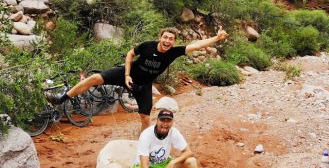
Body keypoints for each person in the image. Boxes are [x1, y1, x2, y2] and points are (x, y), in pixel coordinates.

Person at [49, 26, 228, 133]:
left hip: (143, 85)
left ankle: (143, 145)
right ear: (161, 37)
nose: (167, 41)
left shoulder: (174, 52)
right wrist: (126, 75)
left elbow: (196, 45)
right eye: (165, 37)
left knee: (144, 117)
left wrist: (217, 38)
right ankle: (61, 98)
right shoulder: (148, 46)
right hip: (127, 74)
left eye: (171, 39)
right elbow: (130, 54)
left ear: (174, 42)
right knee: (94, 78)